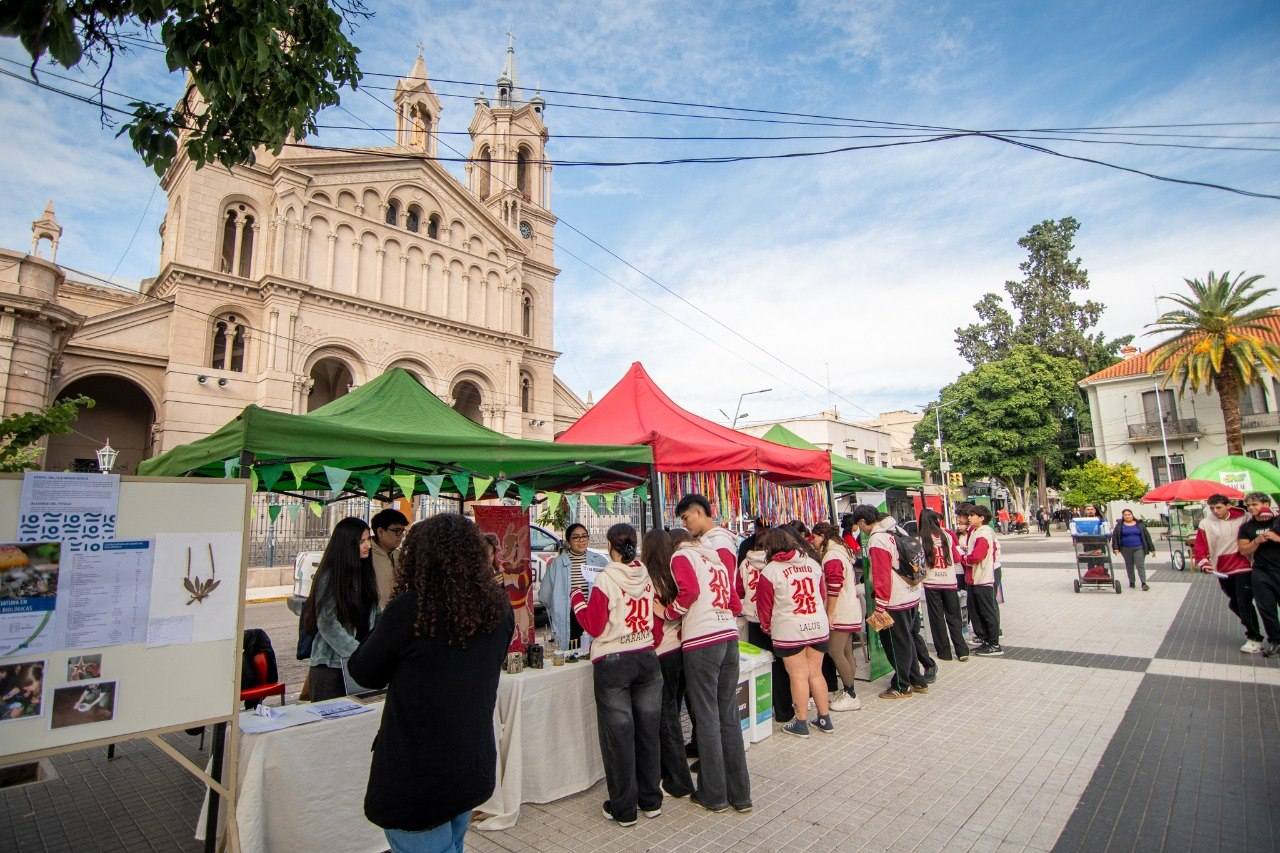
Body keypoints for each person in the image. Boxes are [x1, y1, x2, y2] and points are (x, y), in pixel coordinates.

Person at [347, 513, 513, 853]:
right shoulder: (497, 605)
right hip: (469, 761)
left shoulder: (413, 608)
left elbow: (364, 671)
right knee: (453, 843)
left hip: (418, 775)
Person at [571, 523, 663, 826]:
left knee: (619, 737)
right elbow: (655, 616)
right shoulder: (645, 574)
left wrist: (577, 602)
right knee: (648, 731)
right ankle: (651, 800)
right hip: (646, 657)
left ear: (611, 546)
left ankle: (624, 808)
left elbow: (594, 625)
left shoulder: (606, 579)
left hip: (613, 661)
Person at [670, 493, 751, 814]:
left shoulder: (683, 556)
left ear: (698, 512)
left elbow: (687, 594)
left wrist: (668, 612)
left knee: (706, 718)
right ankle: (741, 795)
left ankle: (714, 794)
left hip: (702, 640)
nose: (685, 524)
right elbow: (733, 600)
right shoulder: (716, 556)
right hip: (727, 636)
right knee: (728, 716)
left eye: (686, 517)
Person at [757, 528, 833, 737]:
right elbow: (822, 593)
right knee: (816, 673)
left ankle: (801, 722)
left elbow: (764, 605)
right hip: (817, 624)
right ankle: (824, 718)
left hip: (790, 628)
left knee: (798, 676)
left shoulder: (771, 571)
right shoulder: (812, 564)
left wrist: (766, 626)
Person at [851, 505, 929, 699]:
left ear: (862, 522)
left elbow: (881, 574)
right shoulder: (896, 529)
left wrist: (880, 605)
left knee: (895, 643)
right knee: (907, 639)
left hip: (894, 599)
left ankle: (902, 686)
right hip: (910, 593)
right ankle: (916, 679)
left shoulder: (877, 540)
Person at [641, 528, 696, 800]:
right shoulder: (674, 575)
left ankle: (678, 779)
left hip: (661, 653)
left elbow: (651, 625)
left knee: (666, 719)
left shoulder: (649, 580)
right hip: (681, 650)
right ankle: (670, 770)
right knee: (672, 713)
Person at [303, 517, 379, 700]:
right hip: (331, 666)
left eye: (368, 539)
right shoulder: (331, 576)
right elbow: (327, 622)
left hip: (358, 665)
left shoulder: (364, 574)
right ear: (347, 544)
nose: (368, 545)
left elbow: (374, 616)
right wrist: (356, 651)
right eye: (362, 541)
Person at [736, 523, 793, 723]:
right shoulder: (776, 566)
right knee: (781, 666)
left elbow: (739, 591)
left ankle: (762, 711)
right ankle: (785, 710)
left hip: (753, 619)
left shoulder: (744, 564)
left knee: (760, 665)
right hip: (776, 621)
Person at [1193, 494, 1262, 653]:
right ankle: (1255, 633)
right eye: (1212, 508)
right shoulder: (1206, 523)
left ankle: (1254, 638)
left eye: (1219, 507)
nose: (1215, 511)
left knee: (1243, 602)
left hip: (1244, 566)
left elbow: (1262, 519)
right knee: (1234, 603)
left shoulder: (1244, 517)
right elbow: (1200, 547)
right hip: (1222, 569)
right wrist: (1204, 563)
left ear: (1228, 506)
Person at [812, 522, 862, 712]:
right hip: (849, 608)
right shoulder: (842, 550)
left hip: (840, 610)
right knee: (846, 651)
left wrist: (829, 613)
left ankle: (851, 693)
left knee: (835, 651)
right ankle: (849, 690)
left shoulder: (832, 555)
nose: (814, 541)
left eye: (815, 537)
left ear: (823, 536)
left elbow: (834, 586)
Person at [538, 522, 608, 654]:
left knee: (594, 651)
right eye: (576, 537)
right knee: (573, 653)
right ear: (569, 541)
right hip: (570, 617)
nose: (581, 540)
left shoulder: (600, 561)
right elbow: (544, 596)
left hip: (594, 615)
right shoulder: (557, 564)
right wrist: (559, 608)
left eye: (584, 536)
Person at [919, 509, 969, 662]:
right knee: (954, 617)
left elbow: (919, 562)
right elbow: (956, 557)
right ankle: (961, 650)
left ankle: (944, 652)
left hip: (931, 583)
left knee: (937, 618)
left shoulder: (921, 539)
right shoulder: (946, 535)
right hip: (949, 582)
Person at [1235, 492, 1280, 657]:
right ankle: (1276, 641)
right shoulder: (1247, 527)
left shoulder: (1277, 520)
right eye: (1249, 505)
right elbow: (1243, 550)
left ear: (1266, 503)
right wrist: (1256, 541)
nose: (1251, 508)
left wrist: (1277, 538)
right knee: (1266, 608)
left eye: (1255, 504)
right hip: (1262, 572)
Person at [959, 504, 1002, 656]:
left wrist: (963, 557)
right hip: (974, 578)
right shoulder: (976, 531)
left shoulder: (983, 533)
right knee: (976, 611)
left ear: (981, 518)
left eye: (972, 515)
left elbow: (977, 556)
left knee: (986, 611)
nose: (969, 517)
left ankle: (994, 643)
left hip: (982, 578)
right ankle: (985, 640)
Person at [369, 508, 408, 608]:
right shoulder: (366, 555)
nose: (401, 536)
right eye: (396, 531)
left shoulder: (400, 555)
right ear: (380, 531)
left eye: (403, 531)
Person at [1111, 509, 1155, 591]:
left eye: (1129, 514)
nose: (1127, 516)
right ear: (1123, 516)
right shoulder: (1119, 525)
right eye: (1125, 515)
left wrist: (1152, 549)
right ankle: (1132, 581)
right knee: (1129, 565)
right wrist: (1115, 548)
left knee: (1140, 565)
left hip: (1139, 547)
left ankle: (1143, 583)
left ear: (1132, 515)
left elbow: (1147, 536)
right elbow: (1115, 537)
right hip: (1125, 548)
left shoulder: (1139, 524)